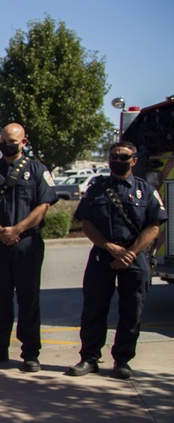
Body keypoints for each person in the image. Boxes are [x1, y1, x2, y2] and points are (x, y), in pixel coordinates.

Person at [67, 142, 167, 379]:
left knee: (132, 311)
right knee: (93, 310)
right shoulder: (97, 189)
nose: (118, 160)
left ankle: (122, 360)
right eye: (114, 156)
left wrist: (131, 252)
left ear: (134, 160)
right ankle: (89, 358)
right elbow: (87, 223)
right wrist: (109, 246)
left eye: (124, 157)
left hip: (135, 258)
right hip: (103, 255)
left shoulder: (146, 190)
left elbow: (154, 225)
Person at [0, 123, 57, 372]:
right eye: (3, 140)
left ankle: (30, 354)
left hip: (26, 243)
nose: (7, 145)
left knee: (29, 300)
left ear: (24, 143)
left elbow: (44, 206)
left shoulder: (37, 170)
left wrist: (17, 230)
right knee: (1, 300)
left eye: (12, 141)